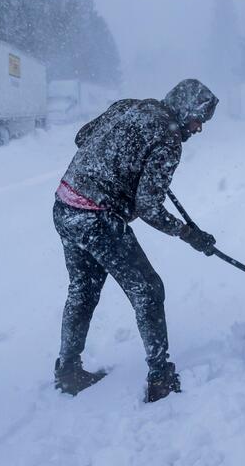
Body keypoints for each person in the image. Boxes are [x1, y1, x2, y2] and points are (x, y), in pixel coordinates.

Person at [51, 79, 219, 402]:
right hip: (96, 216)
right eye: (199, 119)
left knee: (83, 289)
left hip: (65, 205)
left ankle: (68, 370)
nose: (199, 128)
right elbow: (148, 207)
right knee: (148, 289)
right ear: (185, 110)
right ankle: (160, 379)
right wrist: (188, 234)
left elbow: (82, 137)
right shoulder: (169, 140)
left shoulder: (130, 104)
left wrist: (128, 159)